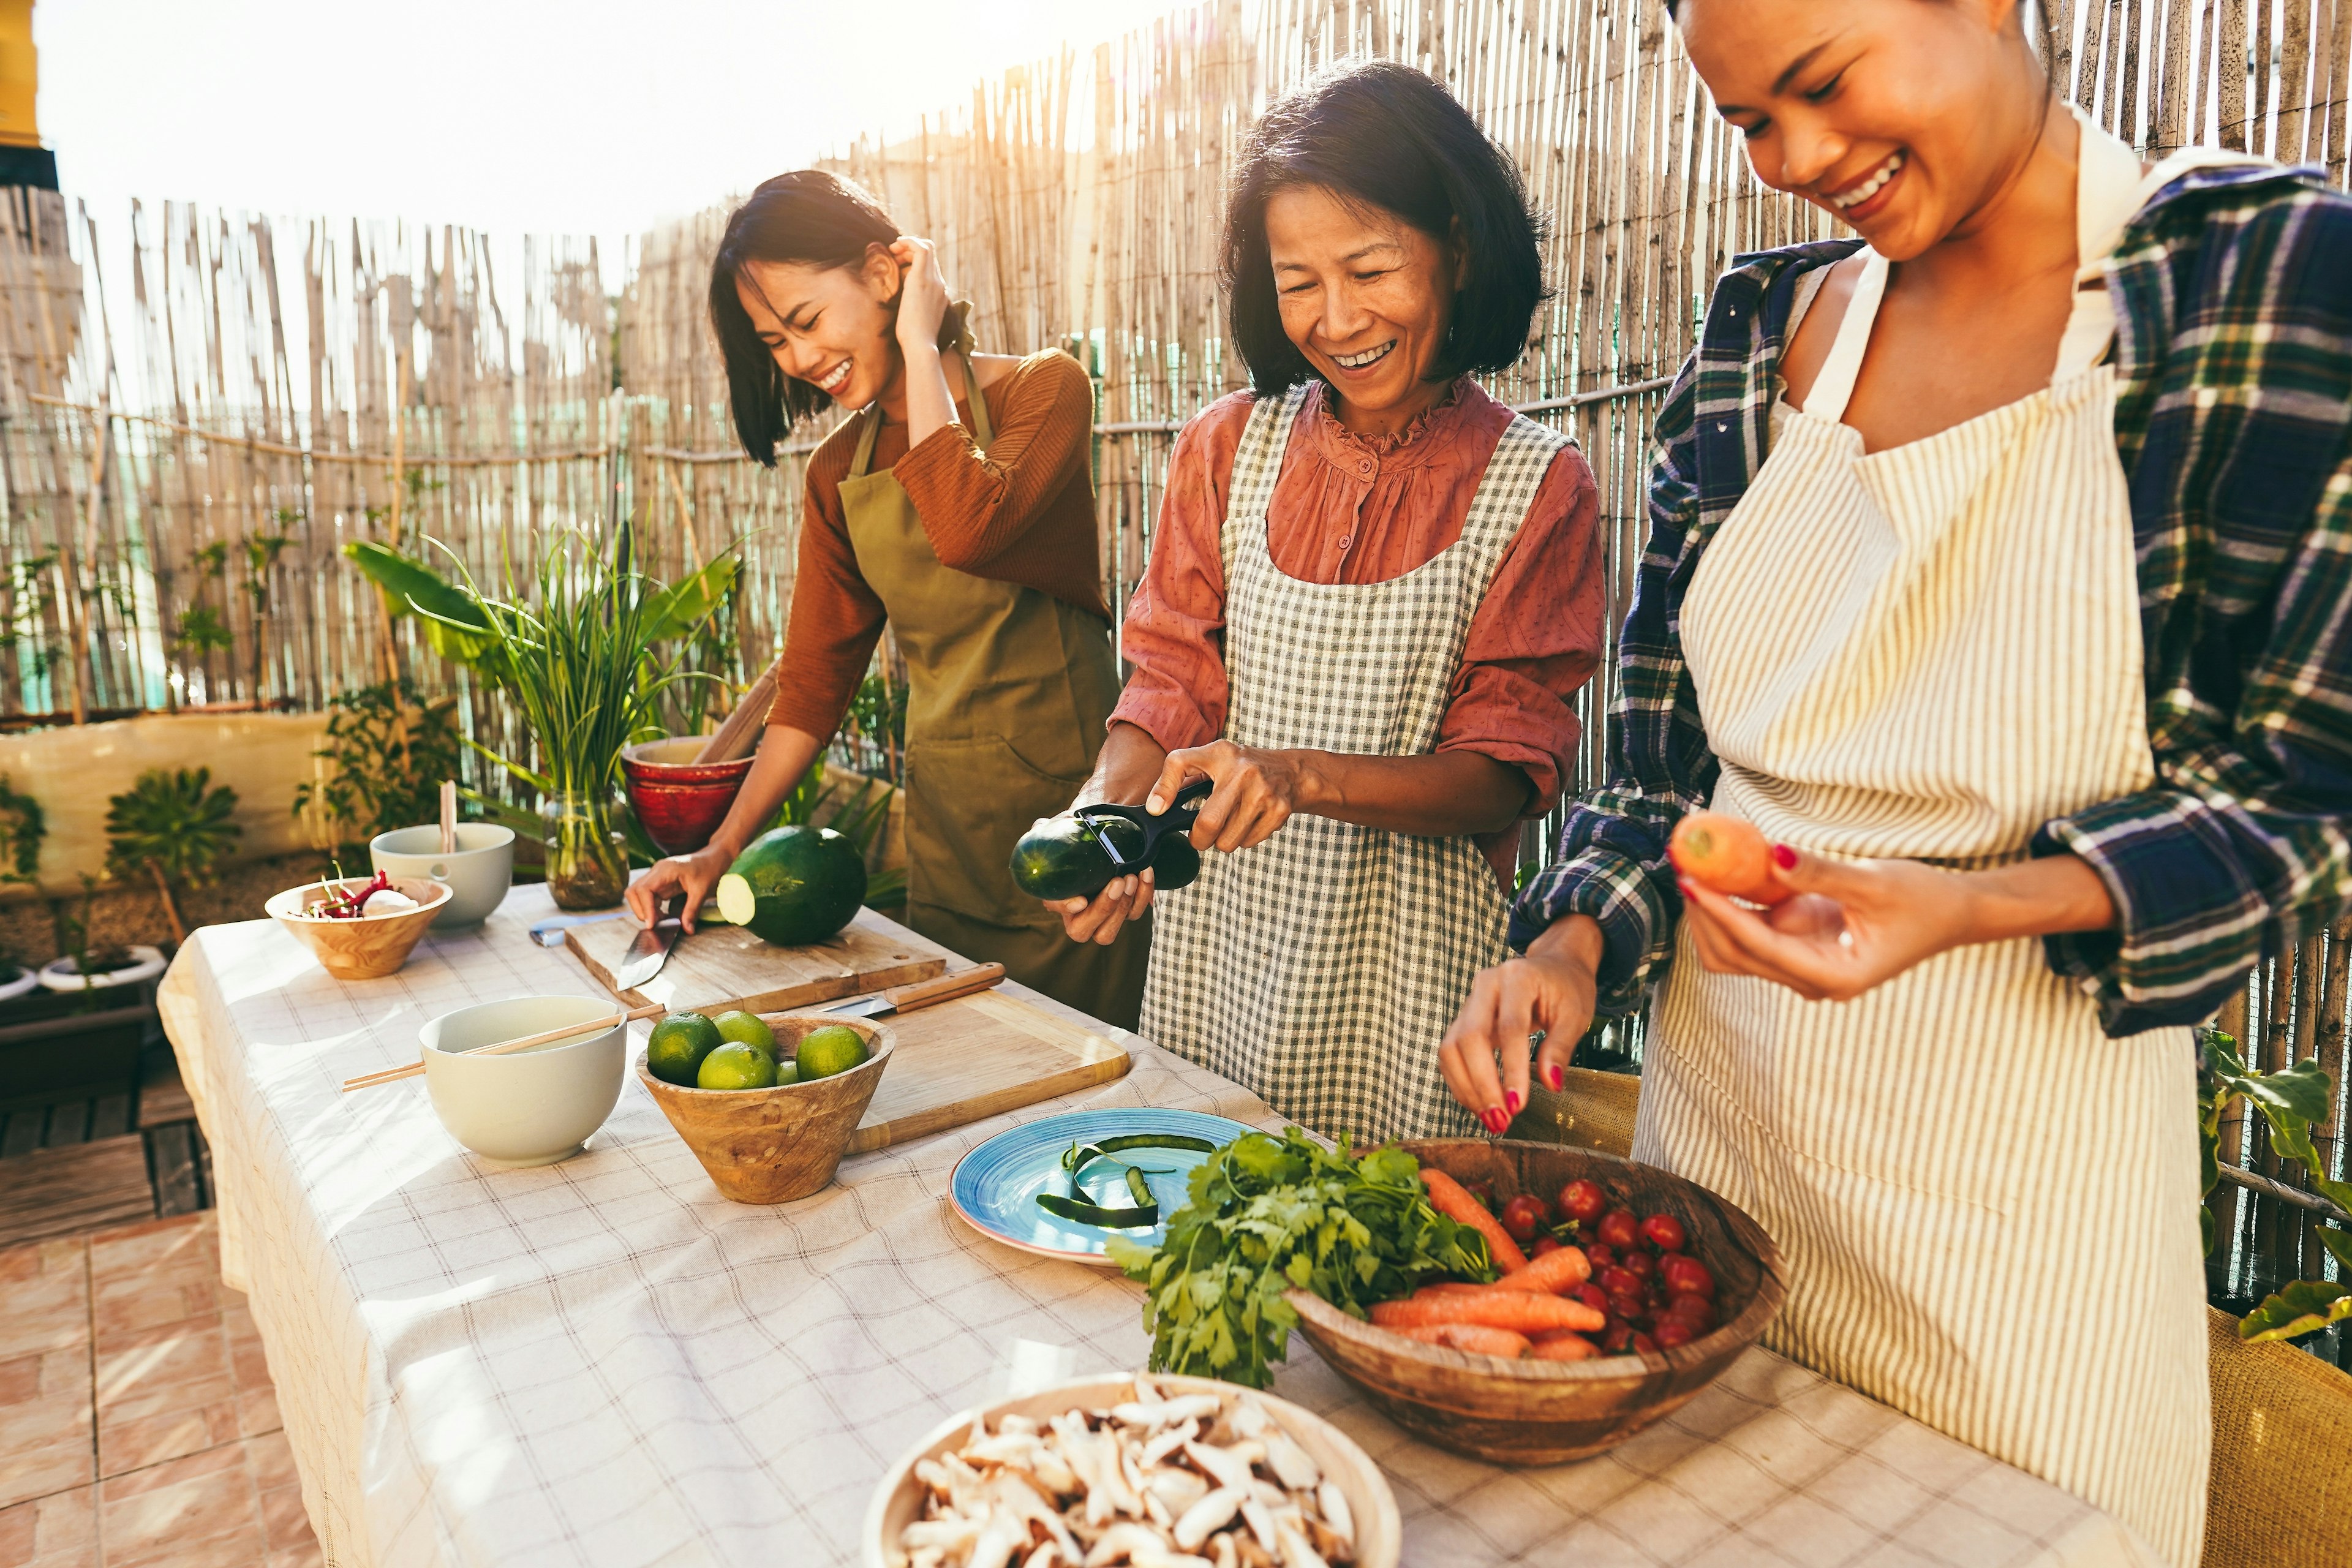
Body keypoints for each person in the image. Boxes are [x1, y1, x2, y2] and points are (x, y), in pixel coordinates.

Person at [1438, 1, 2352, 1561]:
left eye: (1820, 84)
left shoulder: (2260, 277)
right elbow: (1663, 749)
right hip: (1719, 1179)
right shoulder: (1761, 326)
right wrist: (1570, 940)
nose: (1796, 159)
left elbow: (2303, 796)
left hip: (2022, 1218)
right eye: (1749, 122)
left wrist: (1971, 899)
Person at [1043, 61, 1608, 1145]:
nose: (1337, 317)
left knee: (1385, 1253)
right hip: (1224, 948)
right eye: (1297, 279)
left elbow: (1504, 774)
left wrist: (1297, 777)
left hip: (1413, 971)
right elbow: (1168, 681)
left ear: (1456, 243)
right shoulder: (1226, 448)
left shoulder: (1538, 484)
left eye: (1371, 269)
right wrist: (1102, 813)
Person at [626, 171, 1147, 1027]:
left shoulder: (1045, 392)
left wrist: (916, 341)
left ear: (881, 274)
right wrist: (715, 854)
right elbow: (811, 690)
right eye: (774, 343)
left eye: (803, 323)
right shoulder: (838, 474)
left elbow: (970, 526)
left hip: (1075, 835)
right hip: (951, 843)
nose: (796, 360)